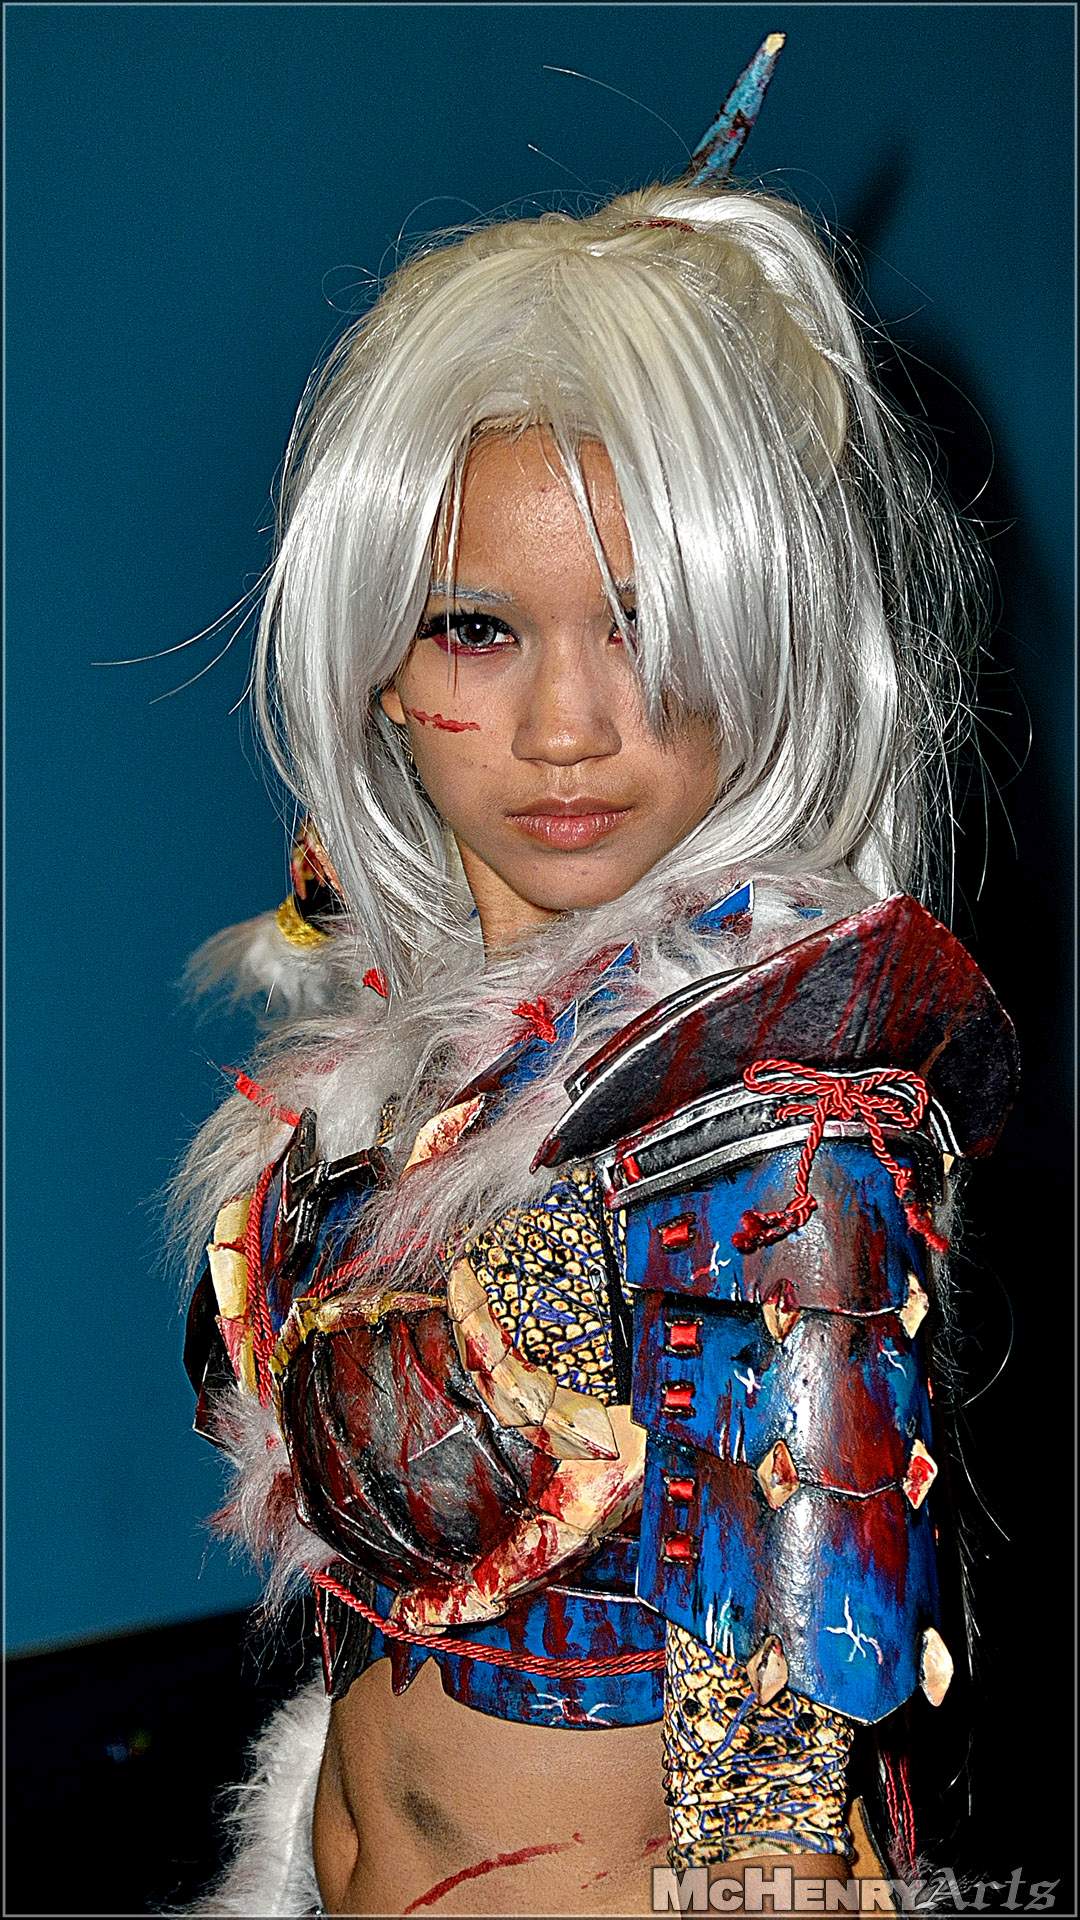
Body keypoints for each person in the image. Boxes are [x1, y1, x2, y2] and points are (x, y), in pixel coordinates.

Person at [175, 38, 1016, 1917]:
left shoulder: (776, 1120)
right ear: (379, 660)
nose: (568, 727)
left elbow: (788, 1764)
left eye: (649, 629)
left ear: (772, 645)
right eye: (477, 627)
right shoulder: (389, 1084)